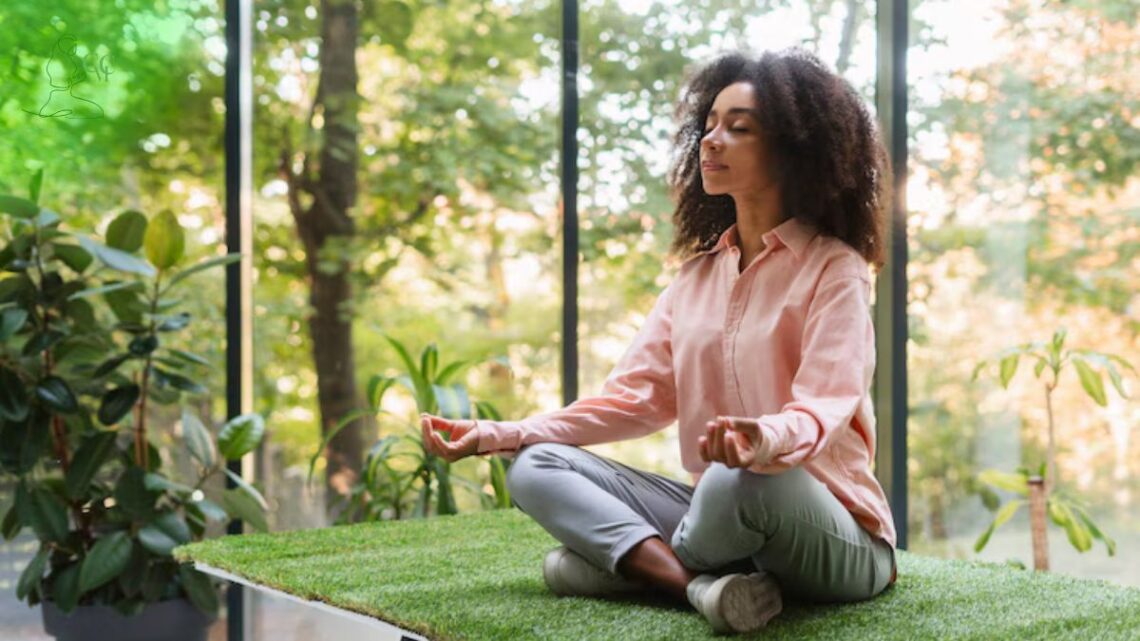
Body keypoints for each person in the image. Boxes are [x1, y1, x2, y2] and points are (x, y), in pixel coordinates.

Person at [419, 47, 897, 635]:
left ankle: (641, 568)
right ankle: (700, 588)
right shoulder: (695, 279)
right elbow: (633, 401)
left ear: (794, 149)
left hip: (832, 534)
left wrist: (764, 440)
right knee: (534, 465)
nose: (711, 141)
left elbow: (827, 403)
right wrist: (502, 434)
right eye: (710, 124)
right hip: (722, 524)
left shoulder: (835, 268)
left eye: (738, 128)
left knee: (731, 481)